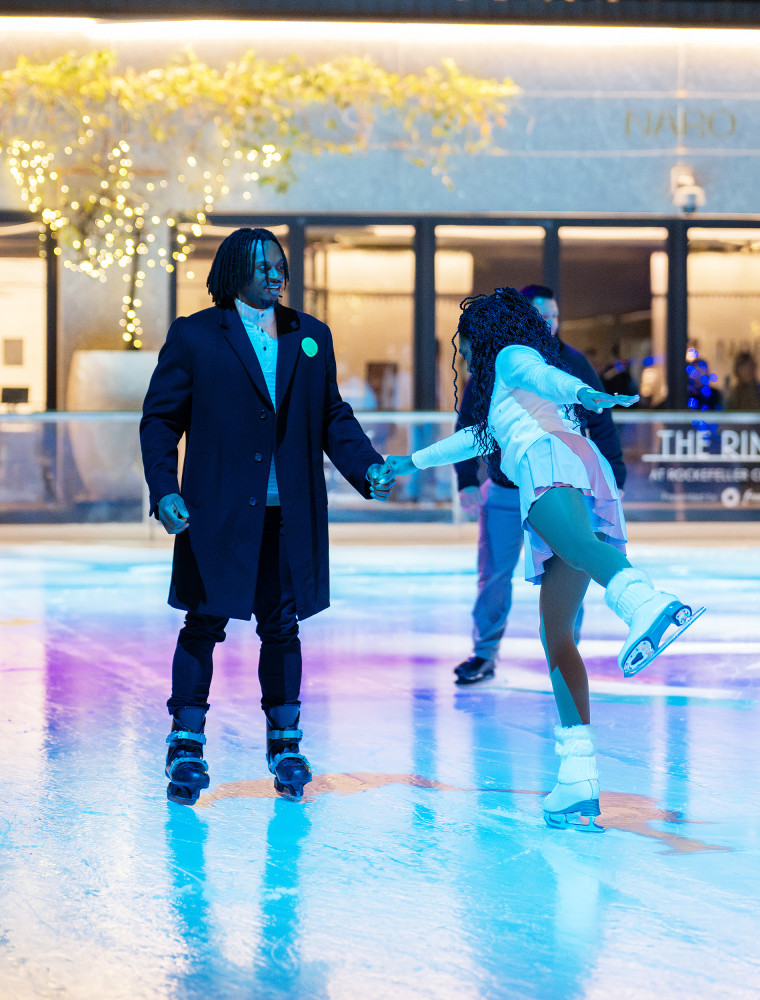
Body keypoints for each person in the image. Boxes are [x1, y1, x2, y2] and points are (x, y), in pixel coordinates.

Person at [386, 287, 702, 831]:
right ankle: (577, 778)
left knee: (580, 548)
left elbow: (545, 378)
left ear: (488, 330)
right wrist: (408, 462)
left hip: (549, 456)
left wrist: (585, 391)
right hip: (562, 459)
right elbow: (473, 440)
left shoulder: (513, 355)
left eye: (469, 336)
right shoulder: (498, 391)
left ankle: (647, 604)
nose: (466, 346)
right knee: (557, 634)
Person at [140, 227, 394, 806]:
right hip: (217, 513)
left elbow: (333, 415)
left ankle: (285, 742)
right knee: (204, 623)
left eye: (280, 265)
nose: (275, 274)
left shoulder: (310, 336)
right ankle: (186, 742)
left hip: (289, 514)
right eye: (262, 266)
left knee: (282, 627)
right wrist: (165, 490)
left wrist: (368, 466)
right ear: (234, 272)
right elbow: (160, 422)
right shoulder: (197, 336)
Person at [453, 285, 627, 685]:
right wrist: (466, 480)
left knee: (572, 566)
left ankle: (566, 652)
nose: (550, 322)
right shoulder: (494, 360)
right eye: (541, 314)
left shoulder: (571, 360)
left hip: (559, 490)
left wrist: (613, 474)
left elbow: (597, 418)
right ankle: (483, 653)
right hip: (503, 491)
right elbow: (469, 424)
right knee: (493, 575)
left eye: (555, 314)